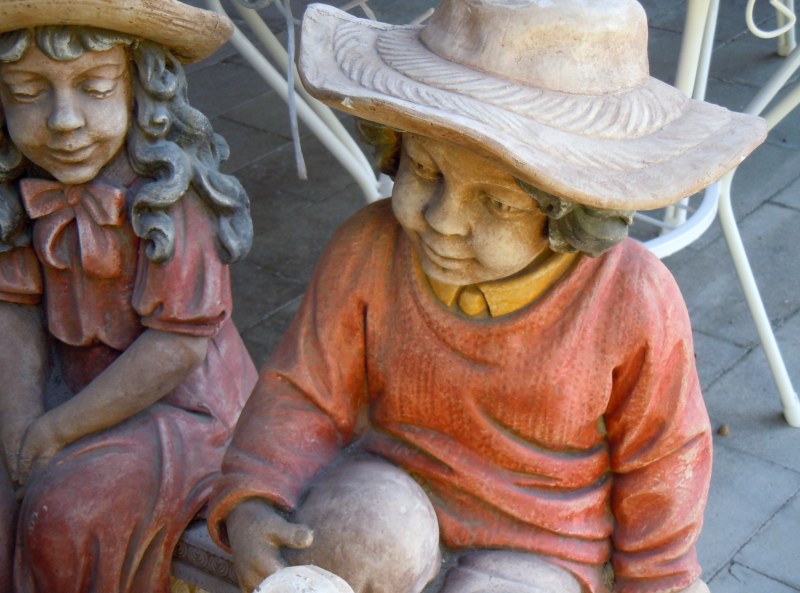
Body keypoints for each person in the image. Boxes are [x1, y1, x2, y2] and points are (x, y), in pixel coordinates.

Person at [207, 1, 767, 592]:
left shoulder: (631, 297)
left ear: (570, 209)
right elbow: (303, 390)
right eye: (425, 170)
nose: (442, 219)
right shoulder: (369, 247)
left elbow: (662, 459)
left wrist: (658, 580)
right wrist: (256, 494)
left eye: (497, 203)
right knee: (349, 540)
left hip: (545, 544)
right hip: (388, 482)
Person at [0, 1, 258, 591]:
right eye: (26, 92)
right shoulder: (18, 189)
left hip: (184, 414)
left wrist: (56, 430)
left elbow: (177, 349)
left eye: (95, 87)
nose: (64, 120)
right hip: (65, 390)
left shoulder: (172, 200)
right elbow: (12, 309)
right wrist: (19, 422)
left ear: (143, 89)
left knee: (66, 514)